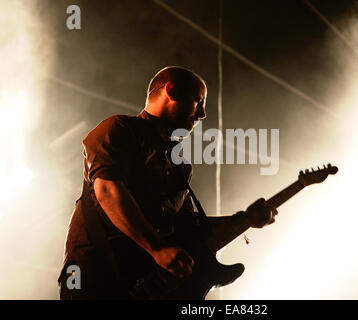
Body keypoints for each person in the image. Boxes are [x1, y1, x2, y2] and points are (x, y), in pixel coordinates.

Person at [58, 66, 277, 299]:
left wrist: (245, 219)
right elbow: (107, 189)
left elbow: (190, 230)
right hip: (96, 278)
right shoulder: (119, 129)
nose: (202, 114)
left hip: (143, 284)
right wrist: (158, 249)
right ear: (171, 90)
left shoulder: (180, 166)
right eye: (198, 101)